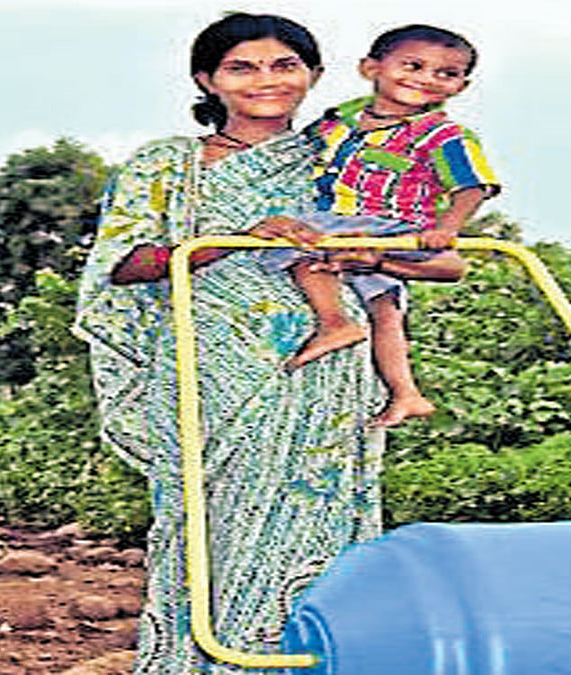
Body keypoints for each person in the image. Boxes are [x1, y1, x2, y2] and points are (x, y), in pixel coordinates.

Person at [74, 13, 460, 673]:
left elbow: (438, 254)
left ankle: (308, 660)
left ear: (314, 75)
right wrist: (238, 239)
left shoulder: (343, 158)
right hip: (207, 367)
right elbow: (125, 265)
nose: (266, 81)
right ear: (207, 80)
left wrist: (372, 254)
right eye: (241, 68)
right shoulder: (168, 164)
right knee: (205, 525)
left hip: (325, 371)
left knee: (319, 525)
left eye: (284, 65)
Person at [260, 24, 500, 427]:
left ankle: (334, 323)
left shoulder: (442, 135)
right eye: (413, 66)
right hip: (336, 217)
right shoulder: (337, 122)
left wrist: (447, 227)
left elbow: (473, 186)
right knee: (384, 308)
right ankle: (405, 393)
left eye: (446, 73)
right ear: (370, 68)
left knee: (302, 244)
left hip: (389, 223)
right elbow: (292, 159)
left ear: (461, 86)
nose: (426, 78)